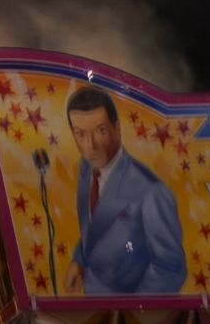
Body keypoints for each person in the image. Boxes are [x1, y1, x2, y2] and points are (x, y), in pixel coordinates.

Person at [61, 86, 186, 295]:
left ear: (117, 128)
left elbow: (170, 269)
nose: (90, 146)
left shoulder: (150, 192)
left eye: (101, 131)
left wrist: (131, 312)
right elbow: (95, 231)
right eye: (80, 134)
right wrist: (79, 261)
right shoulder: (87, 171)